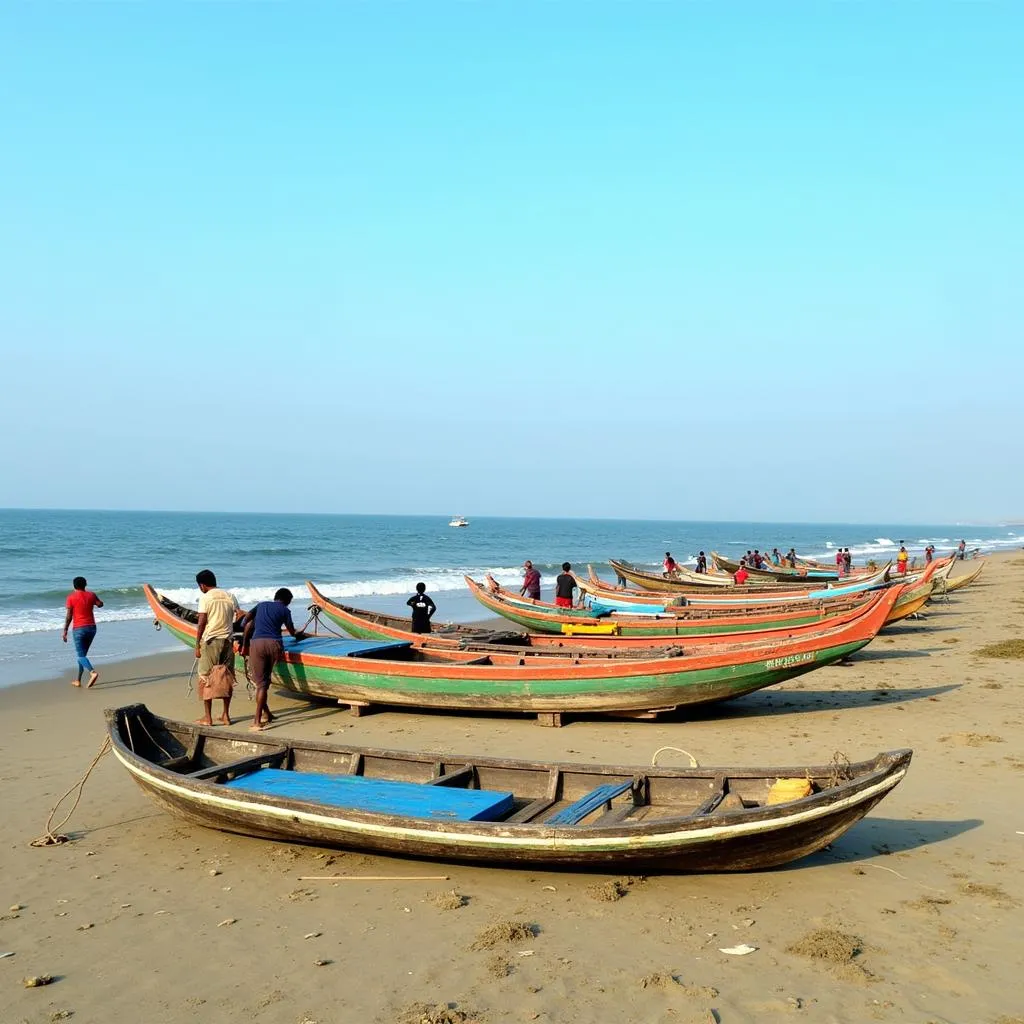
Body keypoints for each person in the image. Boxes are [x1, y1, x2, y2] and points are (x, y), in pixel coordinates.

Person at [241, 588, 306, 732]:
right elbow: (292, 632)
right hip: (274, 644)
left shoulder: (261, 605)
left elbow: (247, 620)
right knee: (263, 684)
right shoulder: (285, 610)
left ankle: (265, 715)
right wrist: (299, 634)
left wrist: (244, 643)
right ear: (287, 600)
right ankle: (258, 721)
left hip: (256, 644)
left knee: (260, 683)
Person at [194, 569, 241, 726]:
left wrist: (197, 645)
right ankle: (226, 716)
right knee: (226, 677)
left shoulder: (205, 598)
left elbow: (201, 622)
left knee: (205, 677)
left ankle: (208, 718)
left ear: (202, 585)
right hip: (228, 640)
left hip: (211, 641)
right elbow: (239, 615)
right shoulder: (230, 595)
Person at [63, 576, 103, 688]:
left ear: (73, 586)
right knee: (82, 656)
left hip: (79, 629)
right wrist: (98, 602)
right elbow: (100, 604)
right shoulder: (91, 595)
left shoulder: (71, 597)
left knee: (80, 656)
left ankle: (92, 672)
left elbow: (69, 617)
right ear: (85, 584)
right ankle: (78, 680)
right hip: (91, 628)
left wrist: (65, 630)